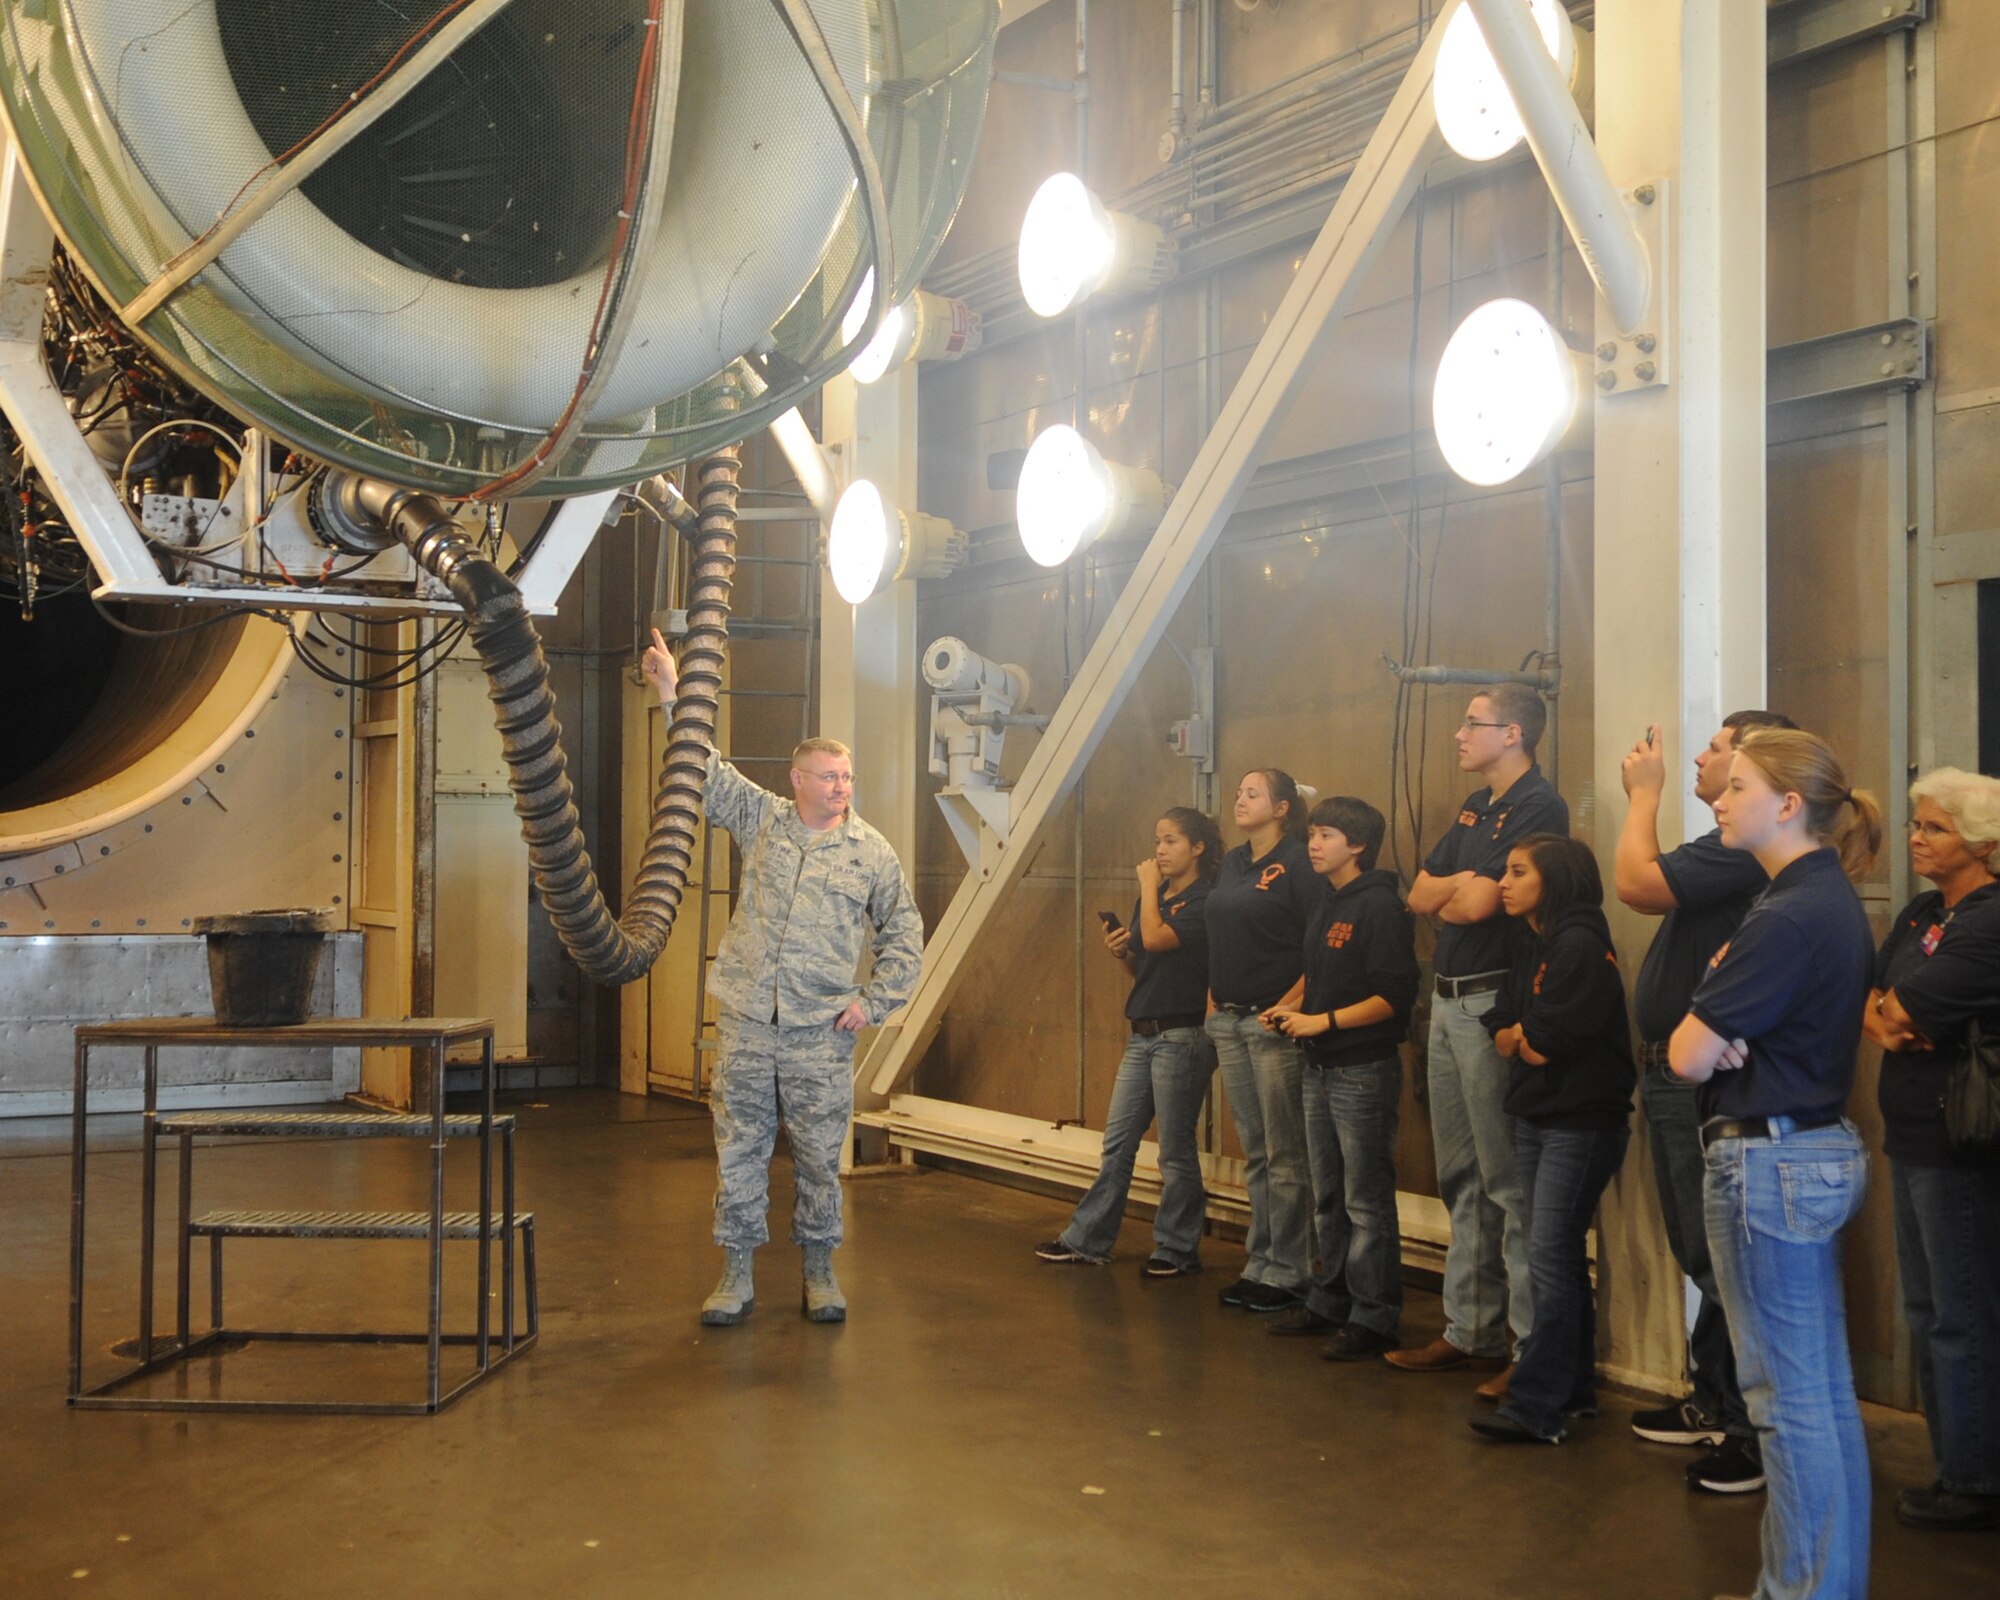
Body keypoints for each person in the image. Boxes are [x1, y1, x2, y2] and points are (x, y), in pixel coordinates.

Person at [641, 629, 924, 1328]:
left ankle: (820, 1271)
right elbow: (704, 769)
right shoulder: (764, 821)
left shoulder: (871, 854)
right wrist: (671, 693)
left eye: (847, 778)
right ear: (799, 780)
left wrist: (873, 1002)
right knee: (738, 1148)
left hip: (820, 1031)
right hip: (745, 1020)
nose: (842, 787)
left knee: (821, 1158)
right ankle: (735, 1272)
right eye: (830, 777)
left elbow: (906, 935)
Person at [1670, 729, 1882, 1600]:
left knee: (1787, 1406)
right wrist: (1714, 1037)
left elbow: (1686, 1052)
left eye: (1739, 784)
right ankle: (1814, 1585)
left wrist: (1710, 1039)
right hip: (1798, 1152)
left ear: (1789, 804)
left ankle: (1801, 1592)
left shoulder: (1791, 913)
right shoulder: (1808, 898)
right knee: (1817, 1400)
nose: (1718, 797)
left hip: (1770, 1160)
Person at [1615, 709, 1797, 1495]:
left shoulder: (1742, 855)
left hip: (1700, 1077)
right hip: (1669, 1074)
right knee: (1701, 1247)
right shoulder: (1729, 847)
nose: (1699, 757)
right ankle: (1717, 1400)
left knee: (1720, 1252)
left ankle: (1748, 1425)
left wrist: (1641, 794)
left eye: (1719, 750)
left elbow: (1635, 884)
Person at [1393, 685, 1568, 1385]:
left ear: (1515, 734)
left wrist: (1462, 885)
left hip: (1491, 998)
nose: (1460, 734)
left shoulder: (1539, 806)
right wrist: (1462, 881)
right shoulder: (1475, 808)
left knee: (1506, 1180)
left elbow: (1474, 901)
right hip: (1445, 998)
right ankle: (1471, 1329)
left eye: (1474, 723)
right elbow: (1422, 894)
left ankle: (1531, 1352)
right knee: (1461, 1174)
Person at [1864, 768, 2000, 1532]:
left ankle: (1975, 1477)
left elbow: (1903, 1006)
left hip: (1960, 1147)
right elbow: (1875, 1007)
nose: (1916, 838)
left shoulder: (1989, 921)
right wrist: (1894, 1016)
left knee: (1962, 1314)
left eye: (1935, 829)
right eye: (1917, 825)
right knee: (1925, 1308)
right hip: (1911, 1136)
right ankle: (1957, 1462)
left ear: (1982, 843)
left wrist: (1896, 1014)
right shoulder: (1922, 912)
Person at [1469, 834, 1635, 1444]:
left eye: (1518, 872)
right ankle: (1573, 1392)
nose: (1503, 883)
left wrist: (1520, 1036)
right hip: (1539, 1113)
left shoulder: (1579, 944)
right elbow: (1503, 1023)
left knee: (1549, 1256)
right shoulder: (1534, 943)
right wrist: (1517, 1034)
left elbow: (1542, 1040)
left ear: (1556, 880)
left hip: (1579, 1119)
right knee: (1556, 1255)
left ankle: (1537, 1403)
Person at [1036, 807, 1223, 1275]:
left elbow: (1159, 940)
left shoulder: (1205, 900)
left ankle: (1177, 1248)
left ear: (1197, 848)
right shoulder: (1155, 897)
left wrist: (1145, 889)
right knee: (1117, 1142)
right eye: (1157, 840)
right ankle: (1088, 1238)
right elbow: (1145, 964)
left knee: (1175, 1148)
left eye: (1172, 841)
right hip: (1143, 1032)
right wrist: (1123, 951)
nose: (1159, 850)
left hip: (1183, 1033)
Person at [1263, 796, 1418, 1360]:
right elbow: (1318, 972)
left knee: (1365, 1199)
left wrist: (1321, 1021)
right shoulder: (1329, 901)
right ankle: (1333, 1301)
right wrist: (1288, 1007)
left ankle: (1376, 1316)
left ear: (1357, 845)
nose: (1314, 843)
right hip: (1319, 1065)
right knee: (1328, 1194)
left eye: (1326, 834)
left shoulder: (1378, 906)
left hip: (1360, 1069)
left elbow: (1393, 998)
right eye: (1313, 834)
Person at [1206, 768, 1320, 1314]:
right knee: (1255, 1148)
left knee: (1284, 1151)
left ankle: (1290, 1271)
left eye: (1253, 793)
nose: (1240, 799)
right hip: (1229, 1019)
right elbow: (1222, 931)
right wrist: (1213, 999)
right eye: (1238, 791)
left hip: (1272, 1021)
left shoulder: (1299, 860)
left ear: (1281, 807)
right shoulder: (1232, 862)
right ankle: (1260, 1261)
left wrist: (1292, 1002)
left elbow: (1317, 939)